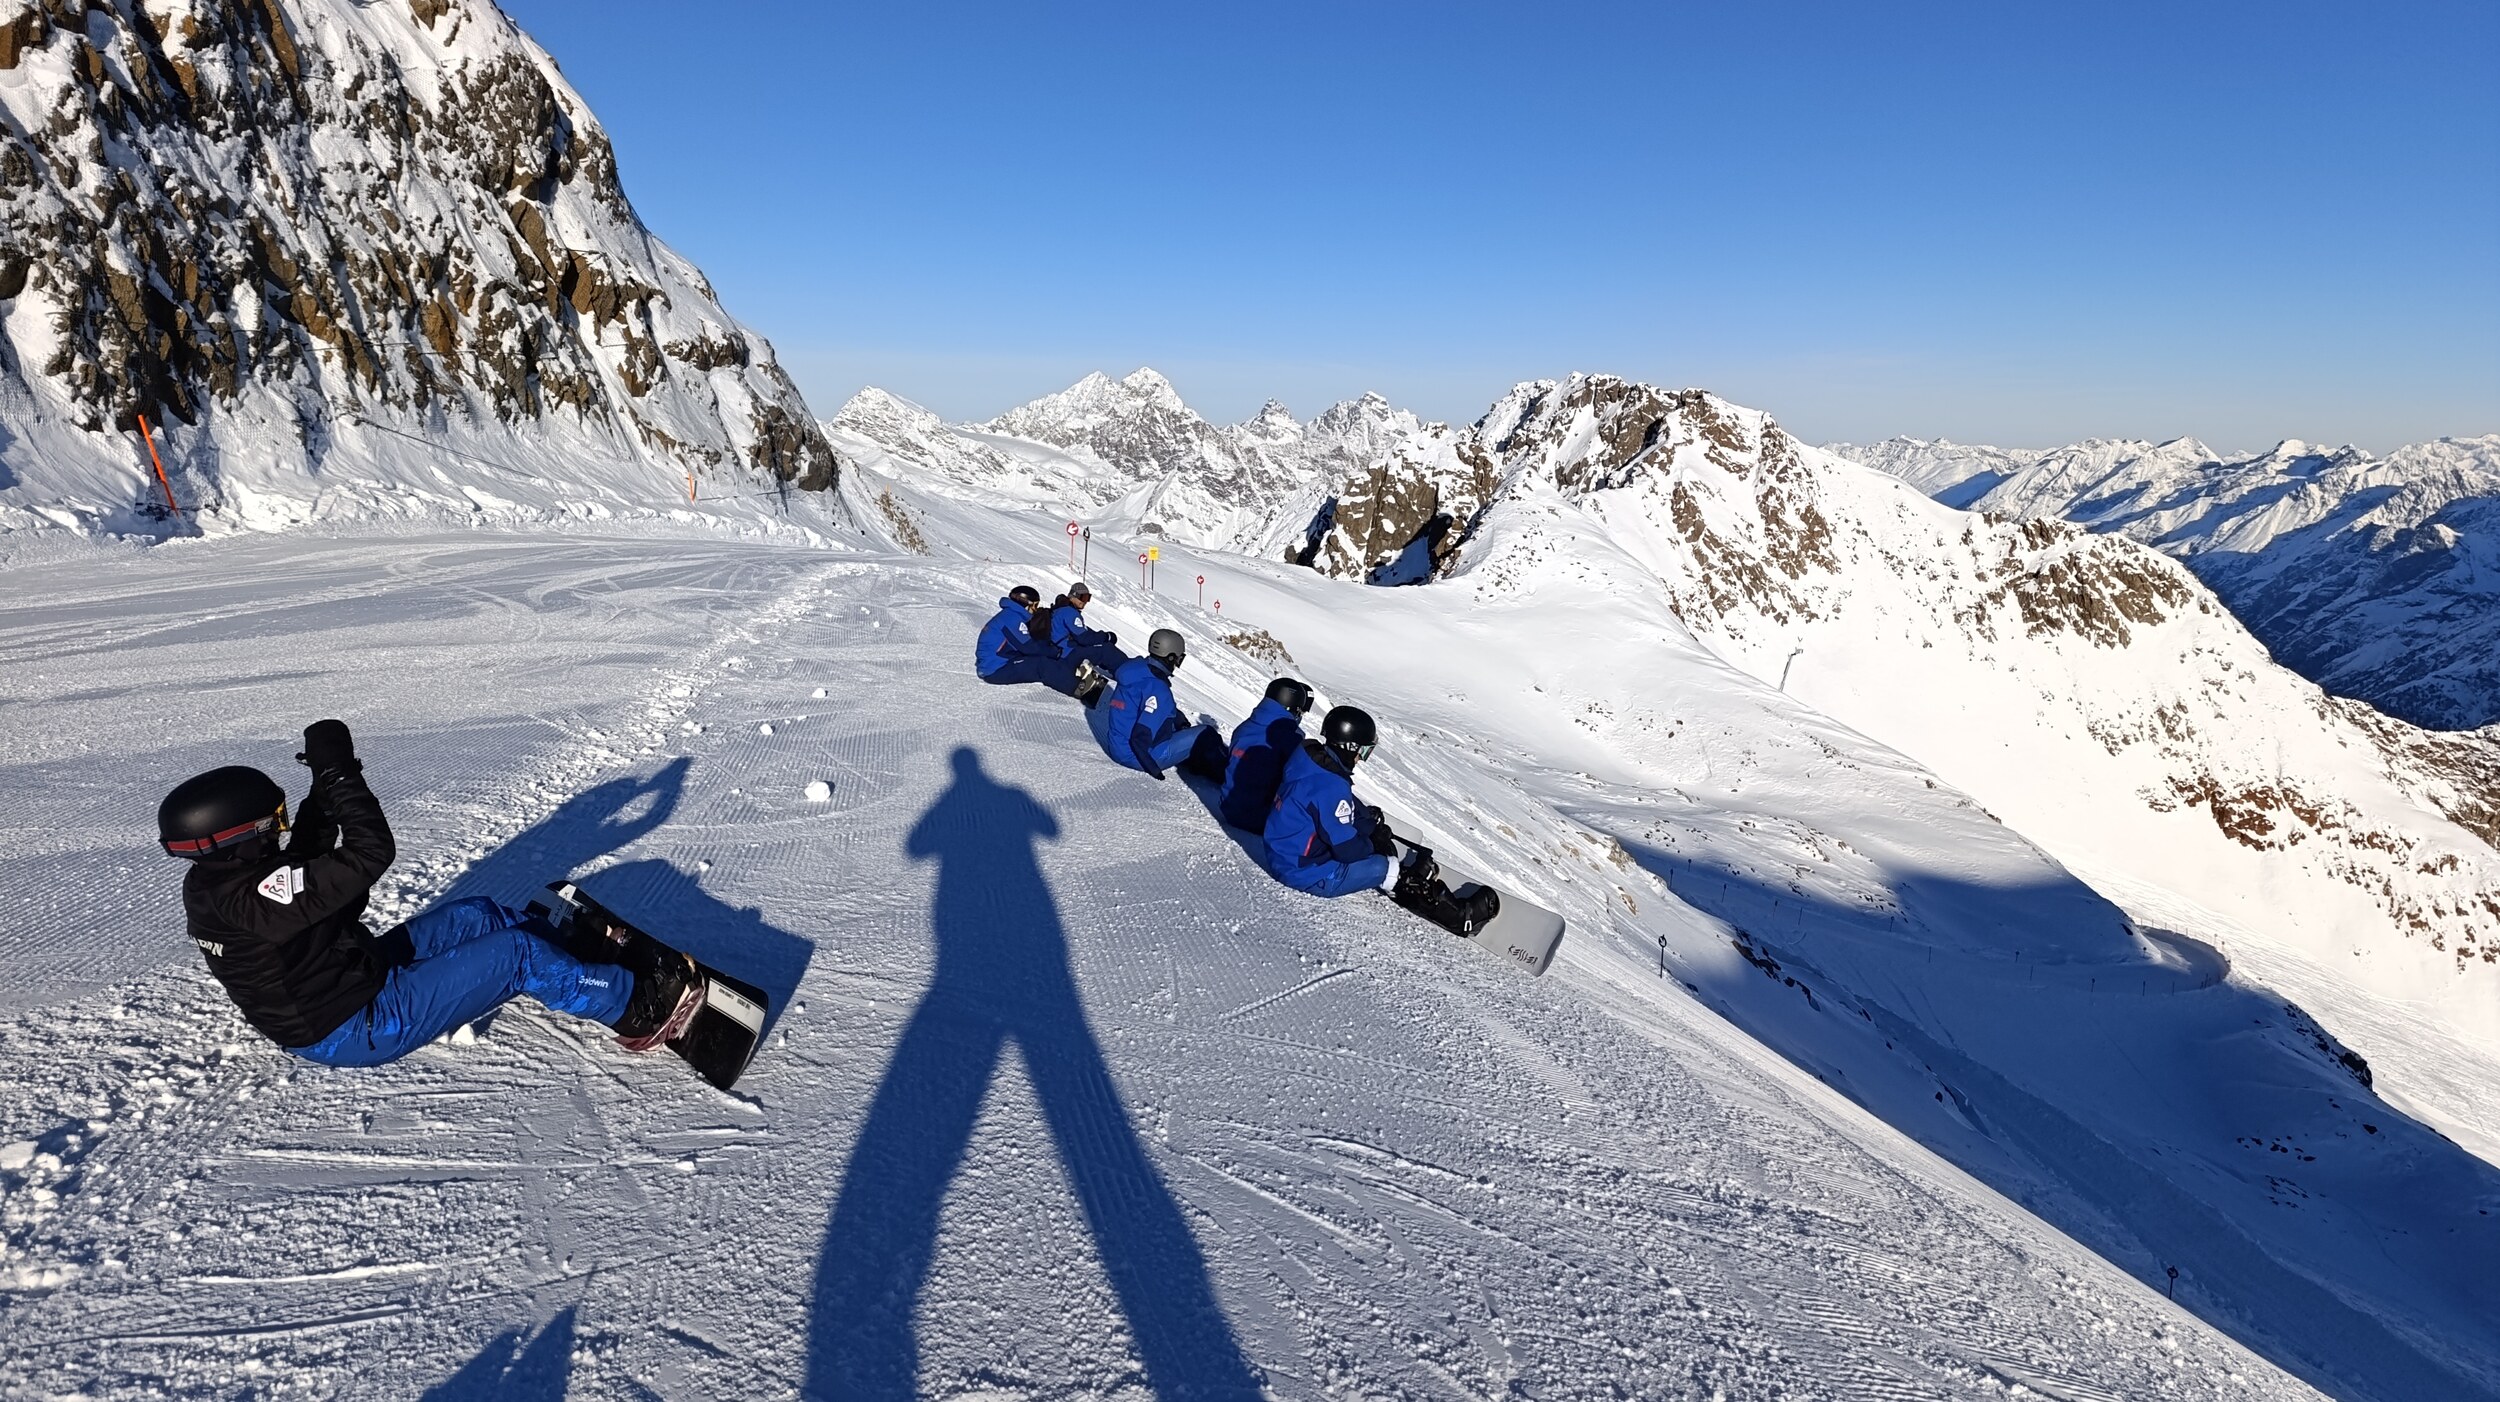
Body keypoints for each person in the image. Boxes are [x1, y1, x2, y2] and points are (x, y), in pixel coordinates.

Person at [158, 720, 702, 1068]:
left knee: (476, 914)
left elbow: (304, 859)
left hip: (355, 976)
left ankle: (577, 965)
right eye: (274, 820)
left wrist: (322, 794)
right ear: (244, 835)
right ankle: (637, 1012)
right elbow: (370, 854)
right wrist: (341, 777)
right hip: (353, 1027)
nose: (280, 828)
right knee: (517, 954)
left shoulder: (219, 880)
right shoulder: (252, 900)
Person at [1261, 705, 1499, 929]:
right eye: (1363, 751)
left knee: (1365, 823)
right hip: (1304, 873)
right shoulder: (1331, 787)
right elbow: (1348, 851)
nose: (1361, 758)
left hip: (1281, 853)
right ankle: (1456, 916)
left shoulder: (1310, 758)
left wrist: (1368, 824)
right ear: (1350, 746)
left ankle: (1387, 857)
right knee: (1382, 866)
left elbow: (1327, 804)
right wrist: (1373, 843)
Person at [1086, 629, 1229, 781]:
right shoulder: (1159, 690)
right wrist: (1153, 769)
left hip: (1117, 747)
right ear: (1170, 657)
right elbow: (1140, 737)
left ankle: (1192, 757)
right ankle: (1227, 777)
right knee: (1206, 733)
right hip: (1137, 756)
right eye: (1178, 659)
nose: (1177, 664)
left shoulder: (1135, 671)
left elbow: (1152, 706)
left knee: (1176, 720)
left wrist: (1179, 720)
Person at [1217, 677, 1314, 831]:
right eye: (1299, 710)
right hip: (1259, 817)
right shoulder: (1290, 738)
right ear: (1293, 708)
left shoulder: (1245, 727)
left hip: (1228, 807)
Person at [976, 585, 1080, 693]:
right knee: (1041, 665)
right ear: (1026, 604)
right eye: (1035, 605)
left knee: (1043, 654)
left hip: (998, 662)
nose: (1035, 610)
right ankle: (1078, 688)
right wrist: (1053, 652)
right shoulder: (1012, 618)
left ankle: (1072, 673)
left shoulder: (1011, 615)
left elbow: (1028, 642)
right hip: (995, 669)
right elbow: (1029, 647)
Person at [1049, 581, 1125, 669]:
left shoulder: (1060, 609)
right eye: (1083, 597)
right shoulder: (1070, 612)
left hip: (1060, 650)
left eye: (1088, 598)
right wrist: (1106, 637)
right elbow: (1084, 638)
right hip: (1067, 653)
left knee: (1096, 646)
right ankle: (1128, 670)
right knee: (1106, 650)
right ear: (1074, 596)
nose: (1085, 602)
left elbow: (1083, 631)